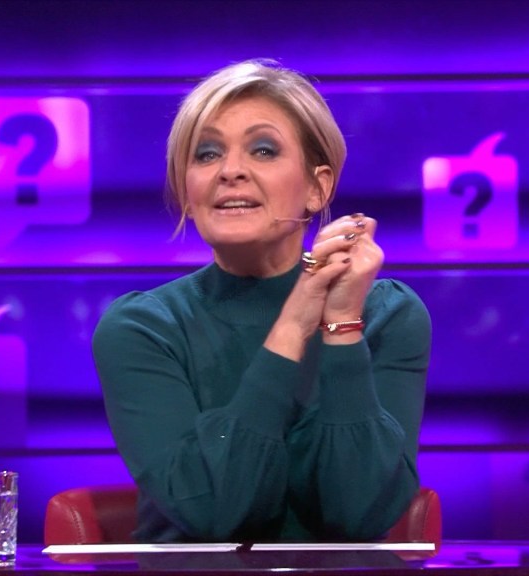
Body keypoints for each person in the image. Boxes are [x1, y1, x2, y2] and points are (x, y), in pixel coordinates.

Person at [93, 59, 431, 543]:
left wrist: (340, 322)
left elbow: (358, 515)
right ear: (187, 193)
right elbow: (214, 512)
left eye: (263, 150)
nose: (230, 171)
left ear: (317, 187)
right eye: (207, 154)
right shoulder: (143, 328)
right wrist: (294, 324)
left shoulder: (385, 315)